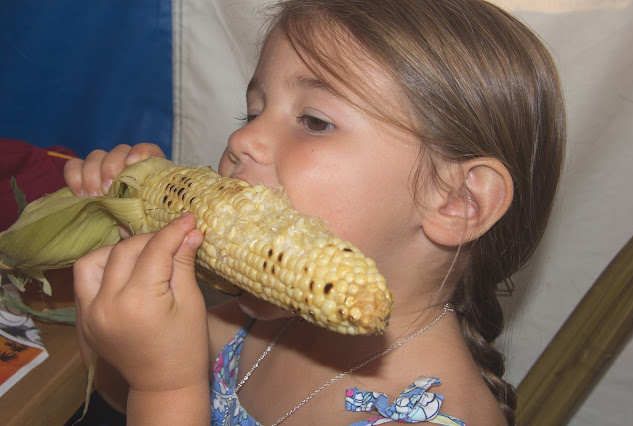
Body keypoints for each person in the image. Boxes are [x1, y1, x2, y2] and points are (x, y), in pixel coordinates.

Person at [64, 0, 566, 425]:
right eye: (253, 111)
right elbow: (121, 390)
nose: (242, 139)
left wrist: (165, 387)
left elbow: (159, 389)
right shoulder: (267, 325)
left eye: (314, 121)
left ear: (458, 201)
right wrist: (118, 286)